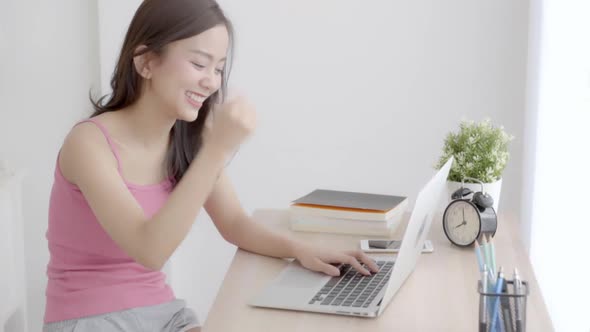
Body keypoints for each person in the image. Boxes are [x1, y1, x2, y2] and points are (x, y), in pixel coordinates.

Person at [43, 0, 379, 331]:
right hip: (87, 320)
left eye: (218, 68)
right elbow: (149, 250)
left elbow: (233, 222)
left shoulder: (188, 141)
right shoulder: (89, 144)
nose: (212, 82)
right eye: (199, 64)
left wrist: (303, 251)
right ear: (146, 62)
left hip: (164, 315)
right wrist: (217, 148)